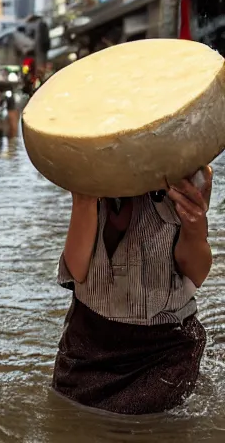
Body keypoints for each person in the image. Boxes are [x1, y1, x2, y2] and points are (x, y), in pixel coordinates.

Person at [52, 167, 212, 415]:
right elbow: (78, 271)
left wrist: (195, 224)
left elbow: (195, 275)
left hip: (165, 352)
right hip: (87, 351)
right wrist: (83, 199)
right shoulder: (87, 171)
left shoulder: (184, 173)